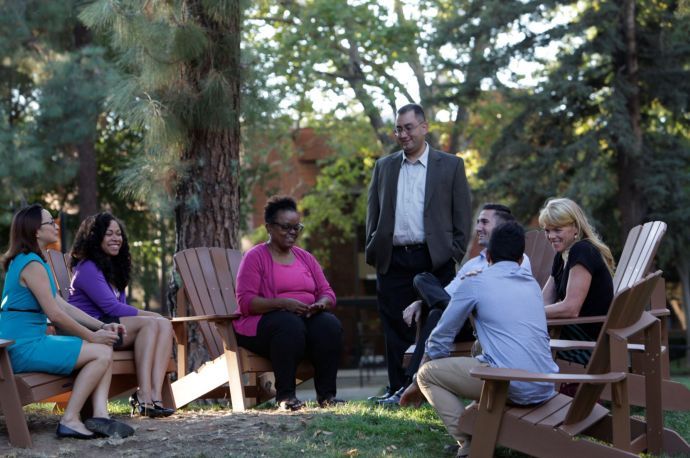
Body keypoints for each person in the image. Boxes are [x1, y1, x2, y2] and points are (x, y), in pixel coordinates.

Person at [413, 222, 558, 457]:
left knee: (427, 375)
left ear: (488, 256)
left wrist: (426, 373)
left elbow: (441, 337)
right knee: (480, 347)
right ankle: (477, 430)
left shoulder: (475, 282)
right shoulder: (532, 284)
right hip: (544, 383)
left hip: (512, 385)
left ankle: (469, 442)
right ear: (521, 259)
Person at [365, 103, 472, 402]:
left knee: (434, 321)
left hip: (433, 260)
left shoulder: (450, 165)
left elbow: (462, 216)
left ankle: (421, 387)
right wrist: (372, 250)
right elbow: (372, 215)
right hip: (393, 258)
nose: (402, 134)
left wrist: (453, 254)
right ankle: (396, 390)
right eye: (398, 128)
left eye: (408, 127)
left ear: (424, 127)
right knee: (395, 326)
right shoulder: (384, 167)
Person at [0, 205, 134, 440]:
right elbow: (56, 314)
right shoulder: (30, 264)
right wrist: (93, 336)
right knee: (101, 352)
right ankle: (70, 419)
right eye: (50, 222)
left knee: (103, 348)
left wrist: (100, 326)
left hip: (30, 342)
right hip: (20, 346)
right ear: (35, 231)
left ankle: (101, 415)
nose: (55, 226)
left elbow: (62, 305)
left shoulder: (34, 261)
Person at [380, 204, 532, 407]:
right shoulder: (471, 263)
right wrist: (422, 302)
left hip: (478, 323)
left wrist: (476, 285)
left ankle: (408, 385)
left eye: (484, 222)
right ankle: (410, 383)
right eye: (477, 222)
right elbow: (448, 294)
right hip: (454, 319)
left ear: (501, 227)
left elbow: (512, 293)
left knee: (437, 312)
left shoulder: (519, 260)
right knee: (423, 282)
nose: (478, 227)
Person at [234, 196, 343, 411]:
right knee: (288, 324)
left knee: (329, 324)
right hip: (261, 327)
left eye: (297, 227)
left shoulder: (305, 258)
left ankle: (327, 396)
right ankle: (285, 396)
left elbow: (327, 293)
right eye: (286, 227)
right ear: (269, 228)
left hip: (303, 322)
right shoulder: (255, 257)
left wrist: (319, 305)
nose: (292, 232)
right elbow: (246, 302)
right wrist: (283, 303)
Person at [69, 212, 174, 418]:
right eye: (109, 234)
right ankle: (142, 396)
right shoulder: (88, 267)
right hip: (92, 329)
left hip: (112, 327)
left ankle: (154, 396)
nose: (116, 238)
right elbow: (113, 309)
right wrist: (154, 314)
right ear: (95, 237)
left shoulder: (114, 267)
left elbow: (121, 307)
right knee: (152, 323)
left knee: (165, 325)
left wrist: (157, 318)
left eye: (118, 234)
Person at [539, 197, 615, 365]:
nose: (551, 236)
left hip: (590, 344)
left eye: (557, 230)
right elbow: (543, 301)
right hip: (574, 333)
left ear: (575, 227)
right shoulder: (561, 256)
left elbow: (571, 309)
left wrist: (525, 314)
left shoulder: (583, 250)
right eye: (547, 230)